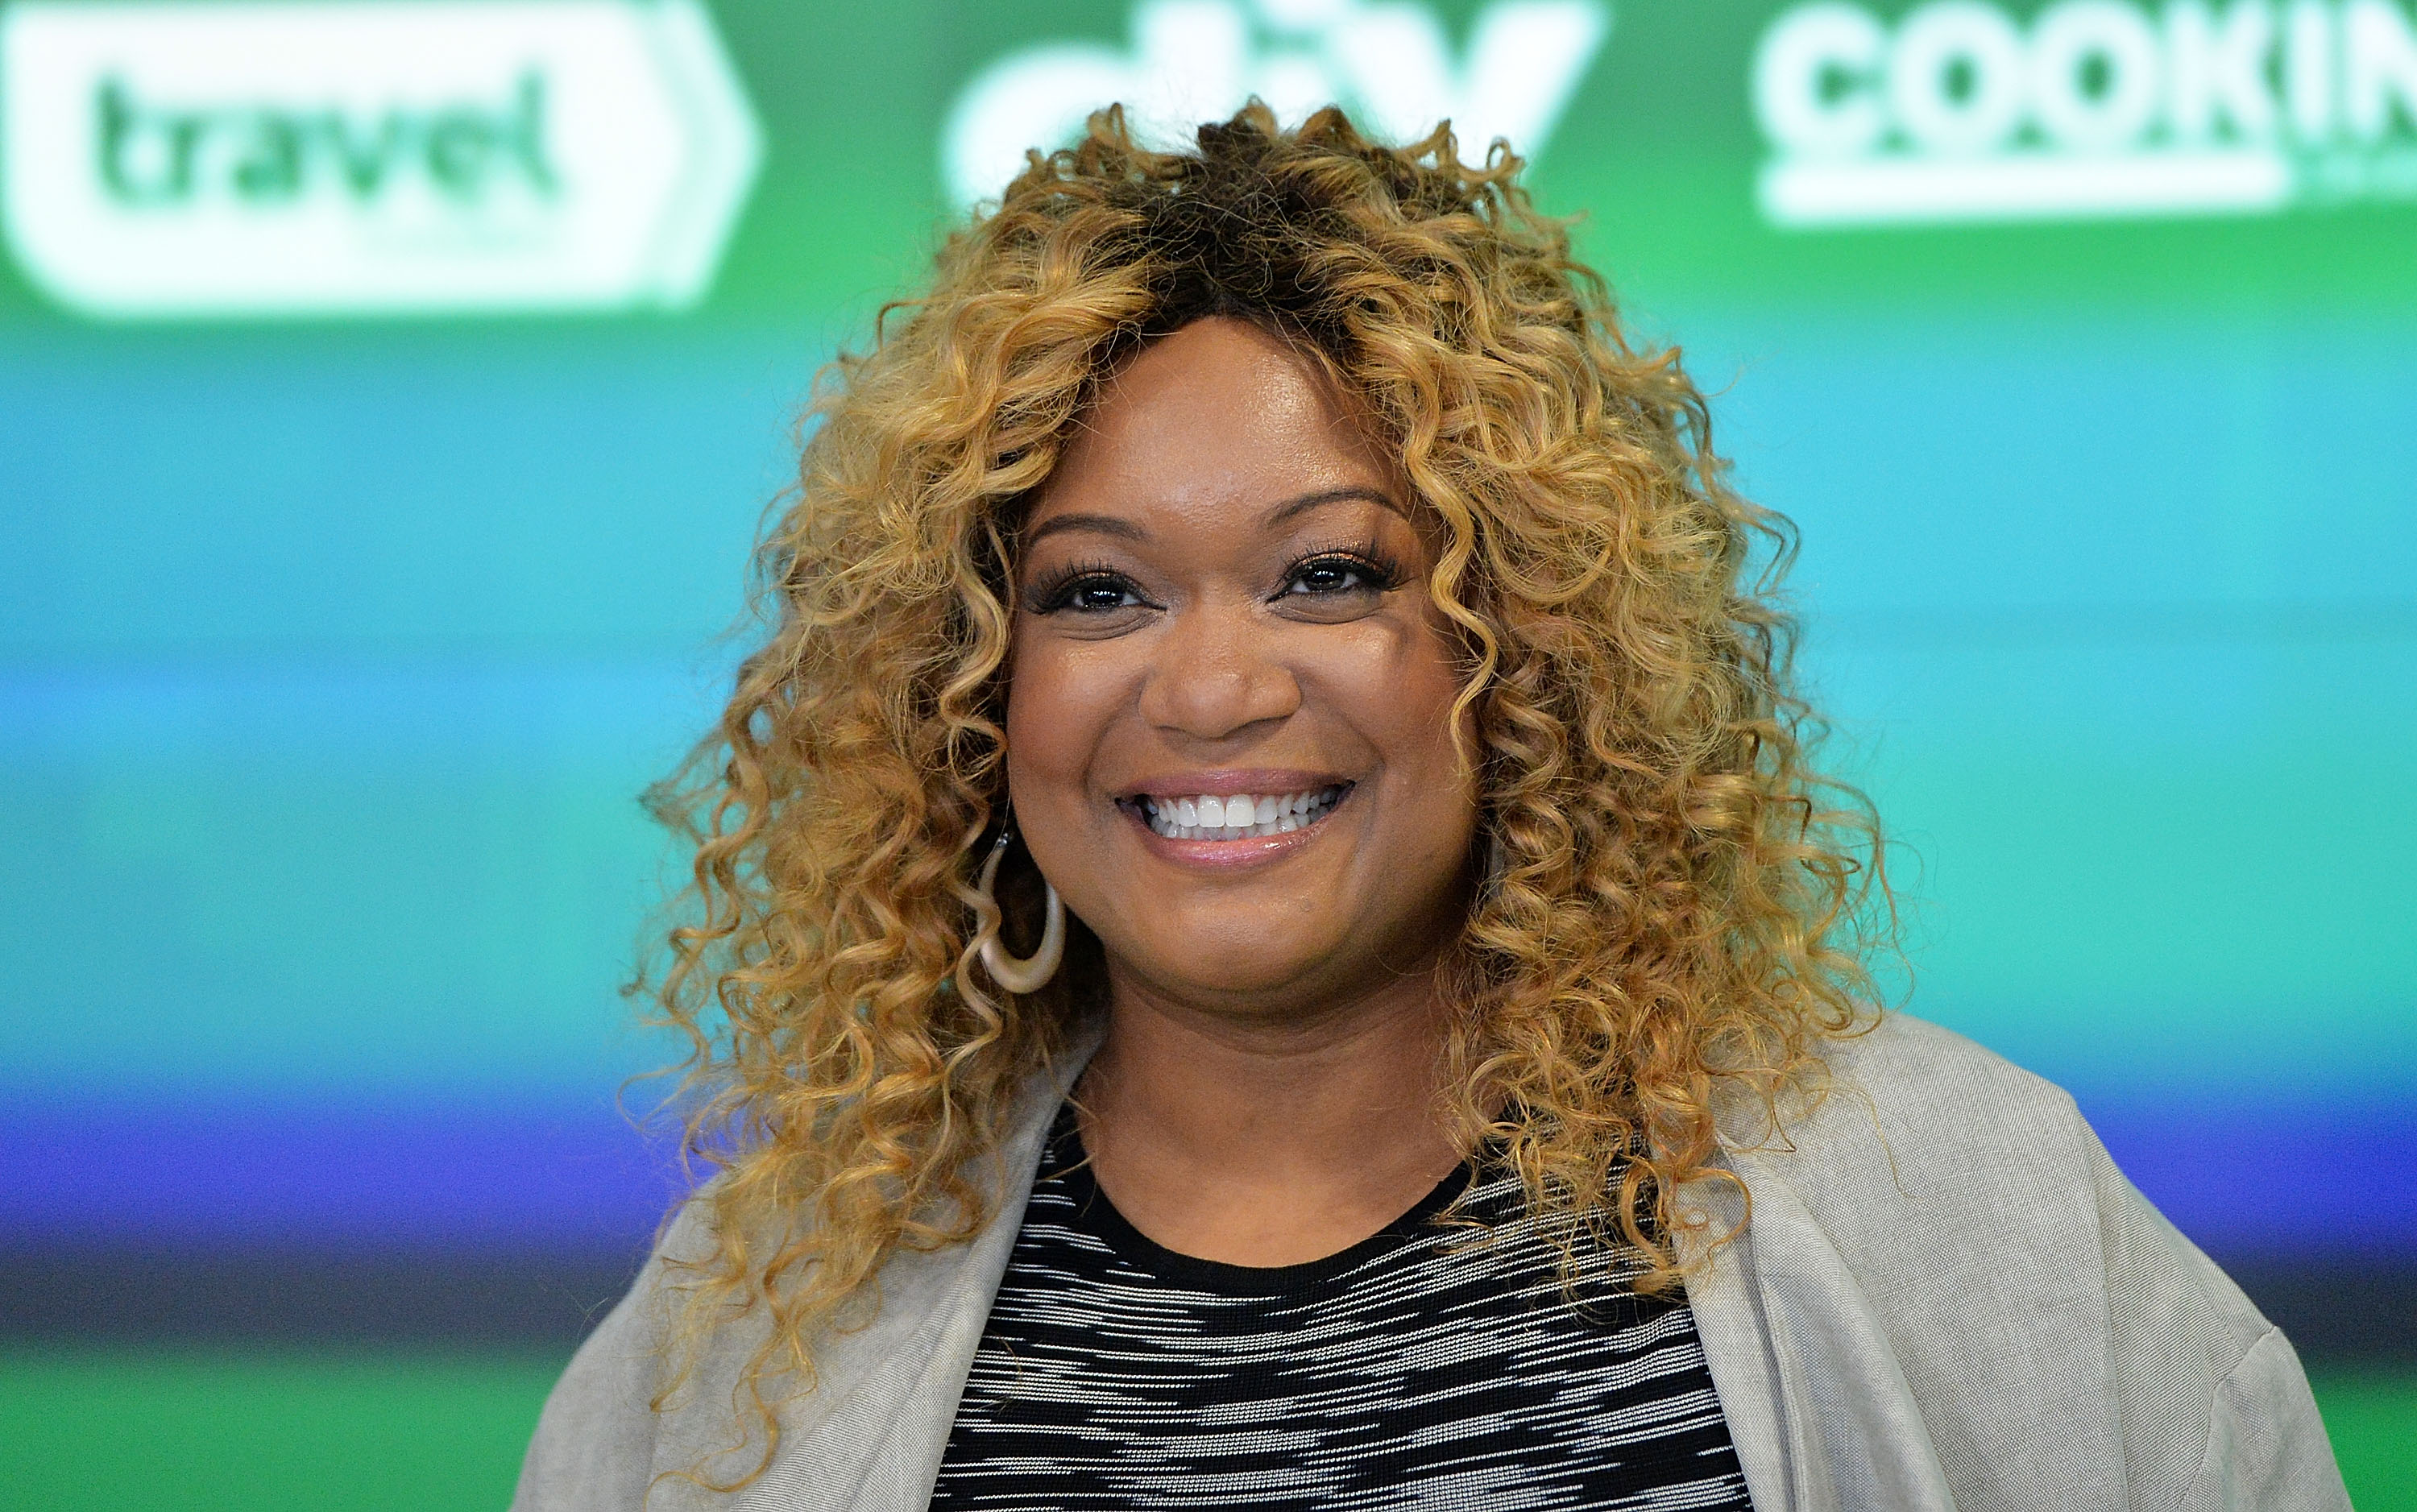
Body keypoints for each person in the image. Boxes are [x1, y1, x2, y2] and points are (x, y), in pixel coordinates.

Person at [513, 104, 2348, 1511]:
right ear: (965, 691)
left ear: (1524, 644)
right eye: (1095, 592)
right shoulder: (745, 1327)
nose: (1214, 688)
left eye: (1329, 577)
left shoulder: (1971, 1214)